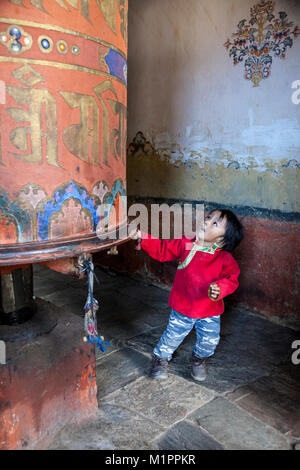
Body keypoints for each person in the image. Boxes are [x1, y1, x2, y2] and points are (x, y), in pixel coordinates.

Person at [130, 209, 244, 381]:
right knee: (172, 336)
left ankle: (199, 359)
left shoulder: (224, 259)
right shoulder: (188, 244)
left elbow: (232, 279)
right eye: (208, 218)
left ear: (222, 239)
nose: (206, 222)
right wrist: (143, 237)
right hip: (184, 305)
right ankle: (160, 358)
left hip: (209, 310)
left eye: (215, 223)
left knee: (210, 341)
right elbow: (163, 249)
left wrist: (220, 288)